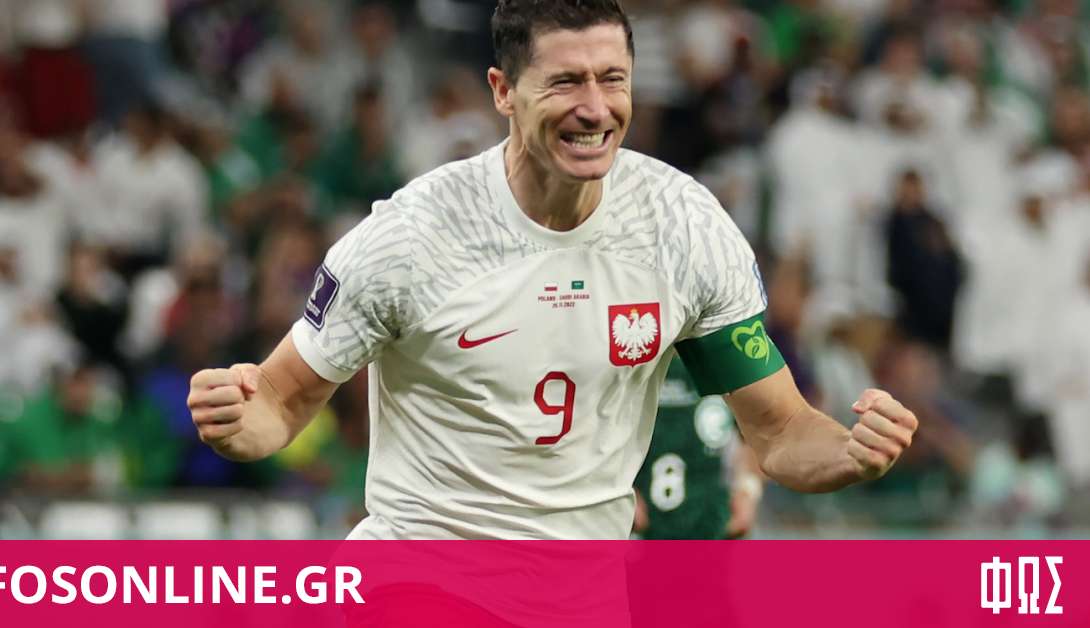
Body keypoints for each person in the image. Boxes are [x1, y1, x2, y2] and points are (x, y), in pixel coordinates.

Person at [188, 0, 918, 620]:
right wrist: (237, 416)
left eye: (612, 79)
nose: (595, 108)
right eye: (566, 81)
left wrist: (848, 452)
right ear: (504, 91)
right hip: (420, 582)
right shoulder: (411, 239)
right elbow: (280, 400)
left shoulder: (683, 227)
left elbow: (780, 429)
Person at [633, 357, 763, 540]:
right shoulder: (628, 357)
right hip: (638, 530)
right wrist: (618, 489)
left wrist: (748, 490)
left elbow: (759, 436)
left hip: (714, 527)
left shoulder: (726, 360)